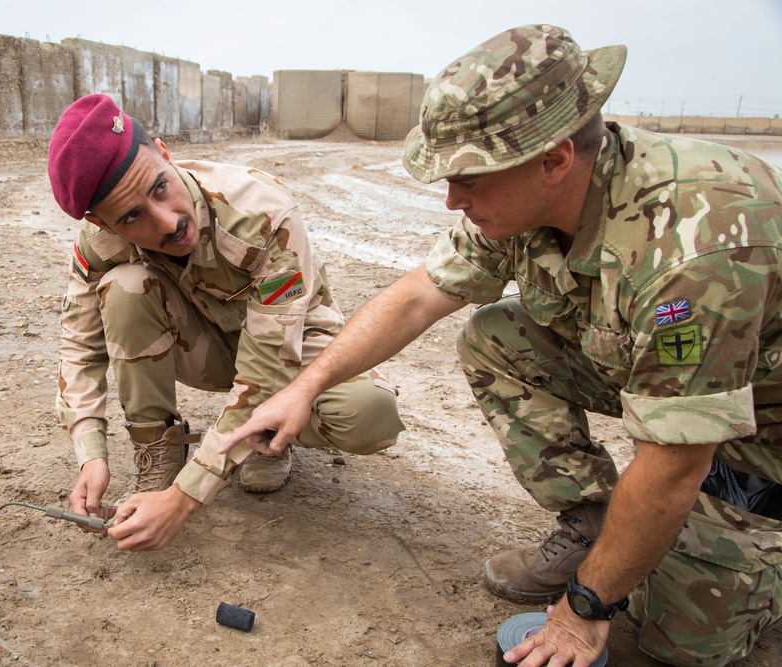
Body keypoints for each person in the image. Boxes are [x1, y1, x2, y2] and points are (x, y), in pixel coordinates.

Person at [221, 24, 782, 667]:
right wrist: (303, 389)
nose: (453, 199)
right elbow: (419, 295)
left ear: (554, 160)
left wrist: (584, 611)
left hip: (762, 435)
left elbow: (677, 459)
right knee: (496, 337)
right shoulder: (531, 202)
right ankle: (596, 525)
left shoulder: (694, 247)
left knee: (679, 643)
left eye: (469, 180)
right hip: (677, 391)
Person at [47, 94, 405, 553]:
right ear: (104, 223)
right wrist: (90, 455)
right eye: (132, 216)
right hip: (210, 348)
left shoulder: (262, 214)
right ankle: (159, 445)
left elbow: (265, 372)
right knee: (125, 289)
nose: (169, 221)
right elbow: (78, 342)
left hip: (290, 349)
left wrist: (184, 498)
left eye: (160, 187)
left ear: (165, 153)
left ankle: (266, 442)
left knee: (368, 412)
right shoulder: (99, 239)